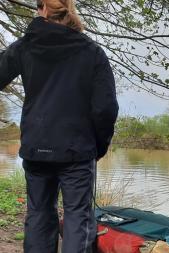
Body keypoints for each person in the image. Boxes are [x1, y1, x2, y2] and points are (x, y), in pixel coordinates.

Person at [0, 1, 119, 252]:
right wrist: (98, 146)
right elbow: (106, 108)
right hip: (77, 151)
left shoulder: (25, 47)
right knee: (78, 216)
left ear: (42, 9)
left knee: (39, 215)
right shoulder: (91, 51)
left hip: (36, 147)